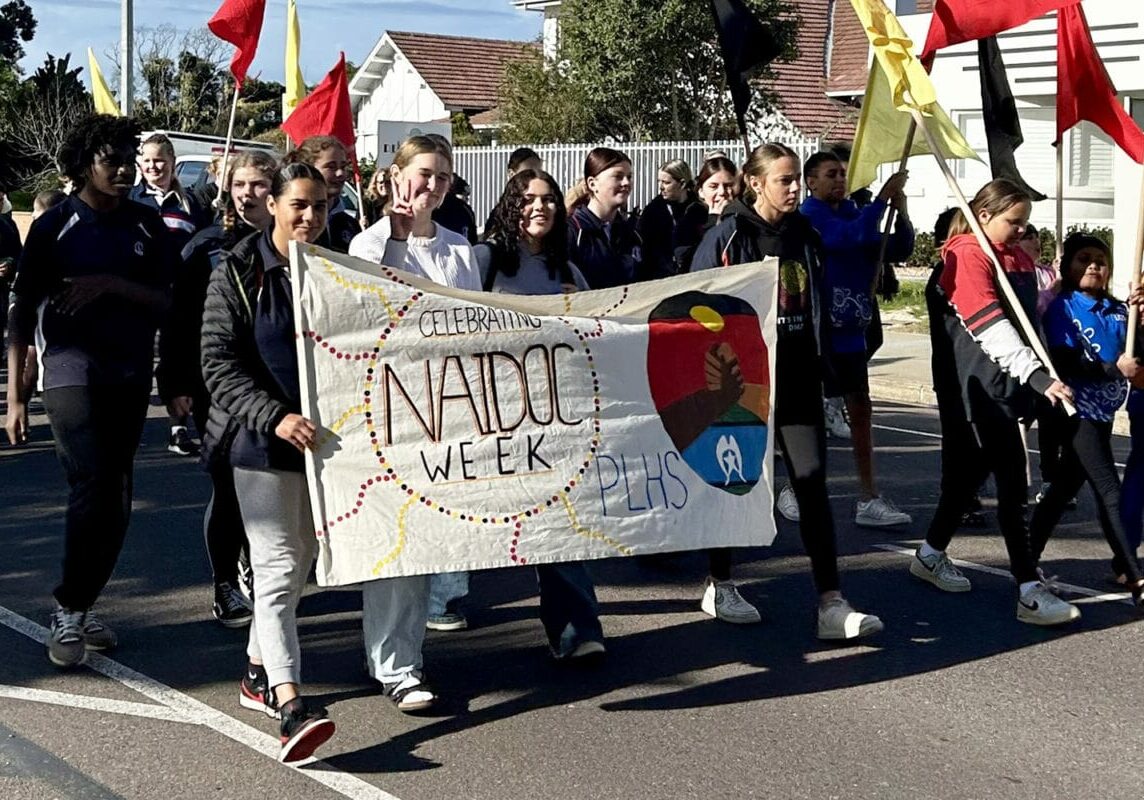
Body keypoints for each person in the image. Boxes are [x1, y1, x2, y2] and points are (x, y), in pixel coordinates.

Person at [690, 143, 883, 639]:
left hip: (797, 378)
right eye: (785, 180)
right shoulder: (726, 237)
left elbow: (816, 301)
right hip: (739, 383)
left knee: (812, 483)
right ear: (756, 184)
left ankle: (830, 603)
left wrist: (825, 367)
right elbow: (695, 305)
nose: (795, 187)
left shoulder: (806, 234)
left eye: (798, 178)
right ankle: (721, 581)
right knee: (738, 483)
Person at [5, 113, 175, 667]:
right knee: (93, 482)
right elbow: (20, 309)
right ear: (84, 165)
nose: (125, 169)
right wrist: (14, 396)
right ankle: (70, 609)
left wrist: (113, 284)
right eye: (112, 160)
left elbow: (170, 303)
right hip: (68, 370)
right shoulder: (55, 225)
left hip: (128, 374)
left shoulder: (147, 224)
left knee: (117, 498)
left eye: (130, 158)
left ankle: (82, 601)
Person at [201, 162, 336, 762]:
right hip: (259, 446)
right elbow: (218, 366)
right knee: (278, 568)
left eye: (322, 206)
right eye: (300, 205)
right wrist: (273, 415)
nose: (311, 217)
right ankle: (289, 705)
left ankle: (257, 669)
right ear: (275, 205)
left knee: (303, 563)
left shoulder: (338, 272)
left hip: (327, 446)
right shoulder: (235, 273)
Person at [909, 178, 1080, 626]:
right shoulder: (966, 254)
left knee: (968, 478)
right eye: (1014, 222)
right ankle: (1027, 588)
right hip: (975, 386)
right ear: (984, 215)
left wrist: (1042, 373)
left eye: (1026, 224)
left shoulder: (1015, 255)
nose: (1022, 232)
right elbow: (990, 326)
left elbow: (1029, 322)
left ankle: (928, 555)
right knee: (1010, 480)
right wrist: (1039, 377)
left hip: (1010, 384)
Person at [350, 135, 481, 709]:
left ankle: (414, 645)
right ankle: (396, 665)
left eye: (443, 179)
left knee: (430, 540)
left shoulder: (458, 248)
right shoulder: (368, 242)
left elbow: (478, 323)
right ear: (395, 176)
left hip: (447, 409)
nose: (432, 186)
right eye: (422, 174)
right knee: (395, 540)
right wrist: (394, 238)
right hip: (390, 409)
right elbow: (356, 306)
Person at [476, 169, 605, 660]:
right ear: (512, 204)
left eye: (550, 199)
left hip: (553, 421)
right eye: (529, 199)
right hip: (490, 417)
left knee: (561, 526)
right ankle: (433, 610)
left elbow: (599, 332)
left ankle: (577, 630)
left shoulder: (570, 272)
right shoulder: (484, 260)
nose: (541, 208)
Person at [169, 150, 279, 628]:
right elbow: (180, 320)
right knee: (229, 487)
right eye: (241, 185)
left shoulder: (296, 246)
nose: (250, 193)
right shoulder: (206, 247)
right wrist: (174, 382)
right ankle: (224, 584)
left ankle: (259, 566)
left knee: (276, 489)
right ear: (227, 189)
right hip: (217, 388)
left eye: (260, 184)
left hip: (278, 390)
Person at [799, 151, 914, 528]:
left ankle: (868, 495)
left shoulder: (853, 211)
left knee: (861, 408)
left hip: (853, 328)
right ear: (811, 181)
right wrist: (880, 201)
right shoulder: (810, 217)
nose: (839, 180)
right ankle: (797, 488)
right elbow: (846, 239)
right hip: (819, 331)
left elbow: (895, 247)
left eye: (842, 174)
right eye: (830, 174)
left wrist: (901, 209)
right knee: (808, 417)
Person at [1029, 233, 1144, 601]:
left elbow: (1136, 354)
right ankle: (1133, 573)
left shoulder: (1119, 310)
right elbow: (1066, 361)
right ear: (1068, 266)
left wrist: (1142, 318)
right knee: (1109, 489)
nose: (1093, 265)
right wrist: (1113, 369)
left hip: (1105, 410)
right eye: (1084, 259)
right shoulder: (1063, 308)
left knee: (1063, 488)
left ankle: (1026, 557)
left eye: (1100, 259)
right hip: (1075, 409)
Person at [130, 133, 211, 457]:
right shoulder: (132, 201)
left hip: (183, 296)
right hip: (140, 294)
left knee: (179, 358)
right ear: (139, 164)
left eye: (160, 160)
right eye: (148, 161)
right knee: (136, 358)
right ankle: (129, 423)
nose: (154, 166)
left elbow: (205, 242)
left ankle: (178, 427)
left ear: (173, 163)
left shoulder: (191, 203)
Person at [1019, 224, 1070, 506]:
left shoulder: (1050, 273)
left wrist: (1065, 279)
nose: (1035, 241)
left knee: (1052, 425)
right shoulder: (1017, 273)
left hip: (1051, 359)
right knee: (1018, 425)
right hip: (1026, 362)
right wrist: (1052, 290)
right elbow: (1030, 309)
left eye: (1037, 236)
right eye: (1028, 237)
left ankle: (1051, 481)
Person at [567, 147, 642, 289]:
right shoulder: (571, 233)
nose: (626, 183)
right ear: (592, 183)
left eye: (629, 177)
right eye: (618, 176)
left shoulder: (633, 233)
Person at [284, 136, 361, 253]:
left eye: (343, 166)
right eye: (331, 167)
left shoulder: (349, 225)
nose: (340, 173)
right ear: (309, 169)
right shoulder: (293, 221)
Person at [637, 159, 708, 279]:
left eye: (666, 182)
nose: (661, 187)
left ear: (682, 183)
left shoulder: (699, 210)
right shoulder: (653, 210)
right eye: (659, 181)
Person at [425, 134, 479, 245]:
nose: (433, 185)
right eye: (425, 174)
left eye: (441, 177)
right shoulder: (399, 217)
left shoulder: (462, 211)